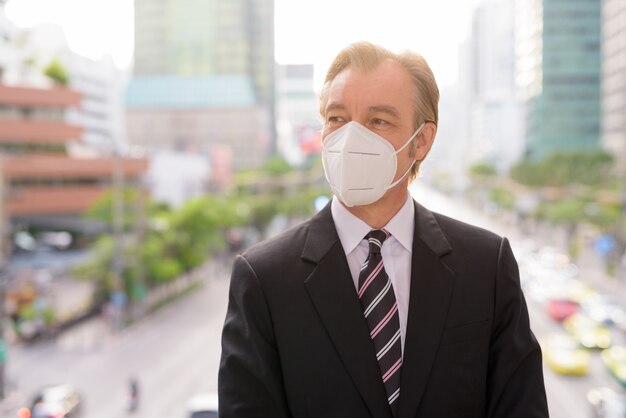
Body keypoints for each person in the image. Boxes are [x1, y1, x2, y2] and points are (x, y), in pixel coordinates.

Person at [218, 41, 548, 418]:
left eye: (378, 121)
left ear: (421, 141)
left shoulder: (486, 265)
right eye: (337, 118)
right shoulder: (264, 279)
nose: (351, 139)